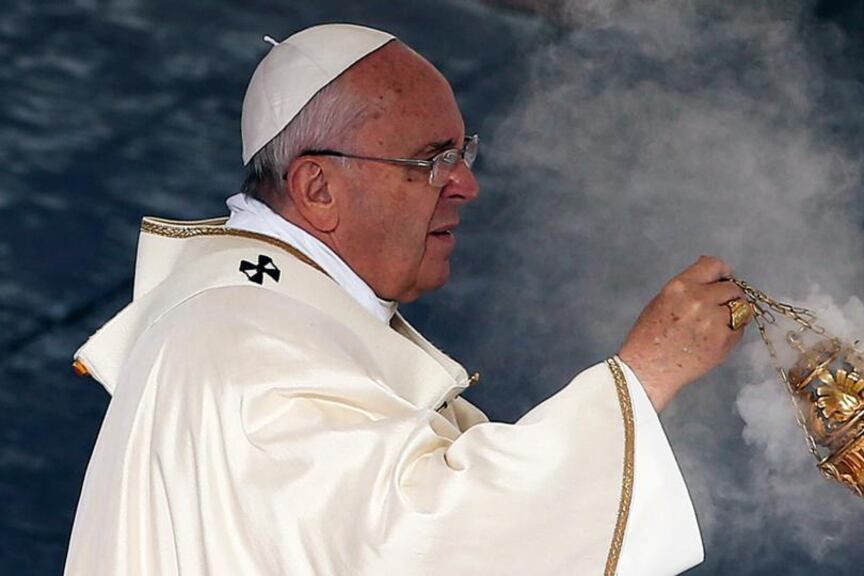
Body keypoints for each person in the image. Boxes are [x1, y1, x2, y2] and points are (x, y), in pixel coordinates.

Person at [63, 23, 750, 575]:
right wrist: (648, 374)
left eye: (462, 153)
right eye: (430, 161)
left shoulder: (266, 314)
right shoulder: (242, 338)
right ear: (318, 190)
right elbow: (413, 545)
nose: (463, 186)